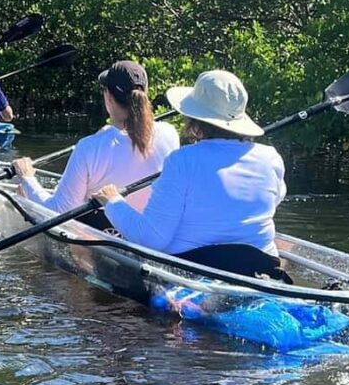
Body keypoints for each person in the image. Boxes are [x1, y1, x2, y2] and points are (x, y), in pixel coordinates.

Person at [92, 70, 288, 278]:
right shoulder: (271, 158)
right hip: (262, 268)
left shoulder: (181, 161)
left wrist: (113, 201)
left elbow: (151, 238)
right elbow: (269, 201)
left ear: (194, 118)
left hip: (195, 270)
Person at [11, 60, 180, 226]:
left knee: (33, 194)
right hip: (151, 227)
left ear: (109, 97)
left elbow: (60, 211)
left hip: (108, 232)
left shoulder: (88, 147)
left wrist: (27, 178)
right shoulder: (169, 133)